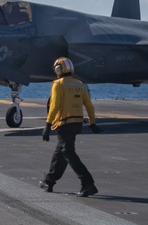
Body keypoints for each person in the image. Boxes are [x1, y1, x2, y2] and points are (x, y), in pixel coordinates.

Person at [39, 57, 103, 197]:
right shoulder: (79, 84)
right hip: (76, 124)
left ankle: (87, 183)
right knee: (60, 152)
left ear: (59, 69)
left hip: (63, 123)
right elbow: (89, 106)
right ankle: (49, 181)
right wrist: (92, 123)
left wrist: (48, 125)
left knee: (68, 152)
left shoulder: (58, 84)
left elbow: (54, 106)